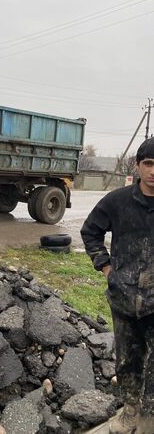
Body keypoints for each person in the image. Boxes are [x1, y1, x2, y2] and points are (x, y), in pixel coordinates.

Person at [81, 137, 154, 434]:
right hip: (123, 298)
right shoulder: (117, 201)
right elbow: (90, 231)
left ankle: (149, 415)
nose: (153, 171)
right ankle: (130, 411)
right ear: (137, 166)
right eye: (148, 164)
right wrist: (106, 266)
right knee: (127, 360)